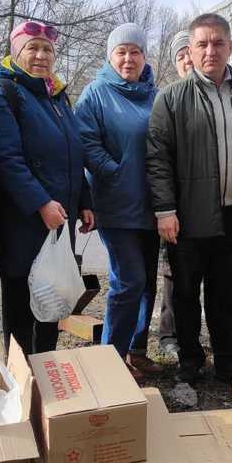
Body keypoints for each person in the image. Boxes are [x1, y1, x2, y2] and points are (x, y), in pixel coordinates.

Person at [146, 13, 232, 384]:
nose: (211, 50)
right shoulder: (171, 99)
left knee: (228, 294)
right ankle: (190, 360)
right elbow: (158, 160)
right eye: (202, 44)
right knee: (186, 292)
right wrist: (165, 210)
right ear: (190, 50)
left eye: (218, 43)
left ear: (230, 47)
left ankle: (225, 360)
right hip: (188, 216)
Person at [0, 20, 94, 355]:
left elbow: (74, 153)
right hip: (23, 223)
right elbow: (7, 161)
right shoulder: (2, 94)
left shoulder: (57, 97)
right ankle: (21, 382)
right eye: (33, 47)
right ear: (14, 51)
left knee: (53, 301)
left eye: (47, 49)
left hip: (59, 222)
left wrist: (85, 199)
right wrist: (41, 203)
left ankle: (47, 378)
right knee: (22, 310)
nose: (41, 55)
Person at [75, 23, 161, 379]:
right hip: (115, 202)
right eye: (121, 51)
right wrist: (115, 169)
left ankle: (135, 350)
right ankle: (109, 358)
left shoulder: (156, 95)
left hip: (153, 203)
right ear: (110, 56)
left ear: (144, 57)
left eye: (135, 51)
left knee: (148, 282)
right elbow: (85, 141)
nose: (128, 58)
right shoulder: (95, 94)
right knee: (129, 281)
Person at [156, 29, 193, 356]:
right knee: (172, 272)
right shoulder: (169, 98)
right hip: (175, 202)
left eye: (189, 53)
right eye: (180, 56)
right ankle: (168, 333)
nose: (186, 60)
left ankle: (193, 335)